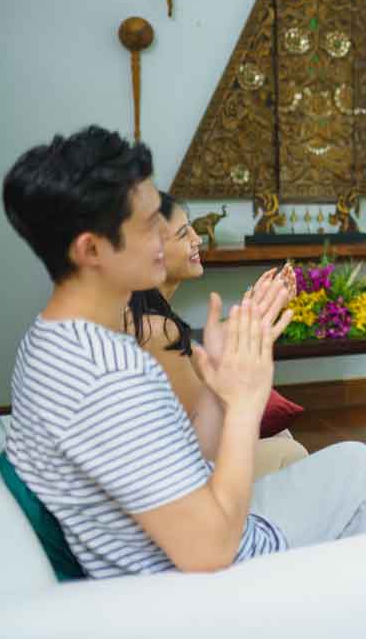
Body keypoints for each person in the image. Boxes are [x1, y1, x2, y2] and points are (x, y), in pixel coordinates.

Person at [2, 126, 366, 578]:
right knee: (361, 479)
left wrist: (221, 382)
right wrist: (245, 404)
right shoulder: (108, 376)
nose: (166, 239)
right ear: (92, 249)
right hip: (206, 578)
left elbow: (188, 457)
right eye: (149, 226)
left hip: (196, 519)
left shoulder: (50, 339)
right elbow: (210, 552)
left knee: (354, 460)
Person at [125, 190, 308, 479]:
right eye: (185, 233)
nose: (198, 240)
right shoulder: (155, 331)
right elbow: (203, 438)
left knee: (283, 439)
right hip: (181, 479)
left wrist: (253, 313)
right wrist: (250, 352)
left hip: (185, 461)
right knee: (294, 452)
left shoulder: (151, 317)